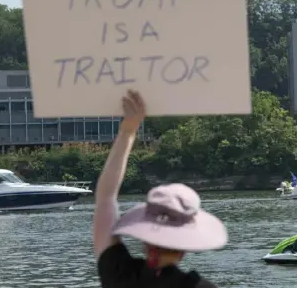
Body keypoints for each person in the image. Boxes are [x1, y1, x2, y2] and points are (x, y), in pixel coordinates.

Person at [94, 90, 228, 288]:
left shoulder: (119, 275)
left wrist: (128, 131)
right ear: (184, 247)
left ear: (145, 240)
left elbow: (106, 198)